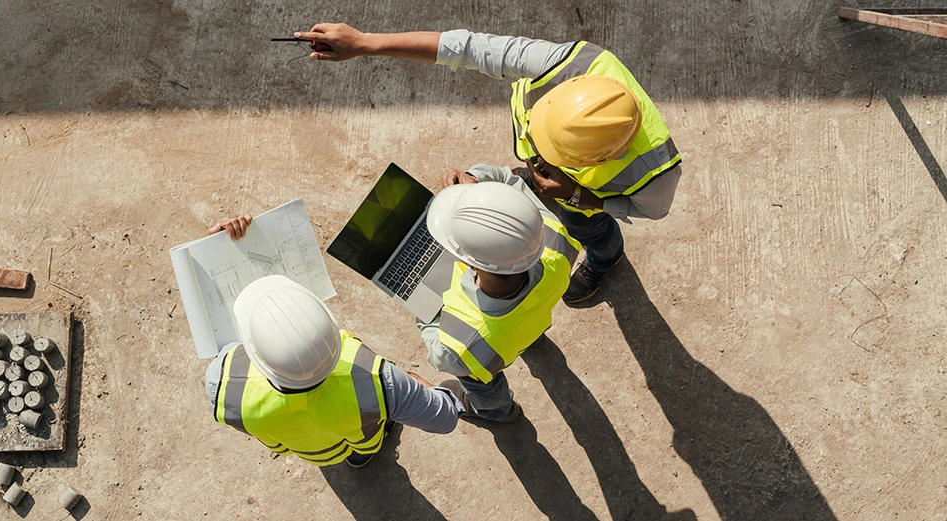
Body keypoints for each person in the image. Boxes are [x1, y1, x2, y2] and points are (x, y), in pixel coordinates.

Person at [292, 24, 682, 303]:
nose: (536, 156)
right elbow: (466, 48)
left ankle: (606, 257)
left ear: (600, 157)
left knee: (592, 232)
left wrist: (581, 197)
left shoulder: (656, 176)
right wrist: (365, 43)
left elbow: (650, 212)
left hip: (582, 201)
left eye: (552, 154)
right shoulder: (565, 64)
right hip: (565, 186)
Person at [204, 216, 465, 468]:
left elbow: (226, 340)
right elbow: (444, 417)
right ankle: (361, 456)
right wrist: (407, 382)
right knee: (364, 441)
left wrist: (220, 251)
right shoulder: (380, 381)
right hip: (361, 438)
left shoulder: (221, 383)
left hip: (309, 450)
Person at [417, 165, 580, 422]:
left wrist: (422, 308)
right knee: (524, 328)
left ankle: (498, 411)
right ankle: (532, 342)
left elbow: (440, 356)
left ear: (467, 261)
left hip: (488, 353)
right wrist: (478, 190)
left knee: (482, 384)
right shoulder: (556, 240)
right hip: (527, 323)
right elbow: (511, 184)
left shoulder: (460, 346)